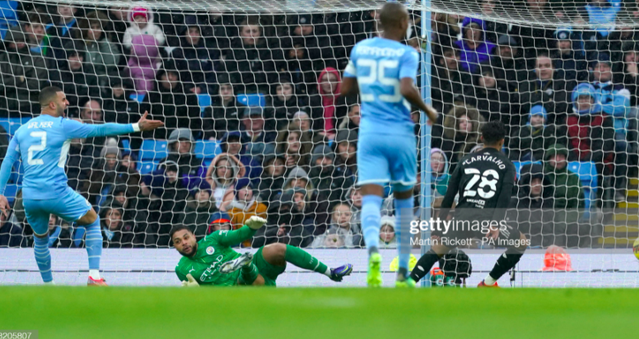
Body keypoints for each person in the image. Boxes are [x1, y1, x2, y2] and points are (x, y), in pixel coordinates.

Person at [0, 86, 163, 285]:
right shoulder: (63, 125)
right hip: (55, 192)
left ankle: (49, 286)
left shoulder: (22, 129)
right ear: (52, 104)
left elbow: (7, 160)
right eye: (64, 99)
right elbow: (101, 128)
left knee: (40, 240)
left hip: (29, 197)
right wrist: (136, 127)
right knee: (92, 221)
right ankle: (94, 276)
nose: (67, 103)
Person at [340, 2, 438, 287]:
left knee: (371, 197)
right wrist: (428, 111)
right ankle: (403, 273)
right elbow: (407, 88)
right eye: (408, 20)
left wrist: (370, 84)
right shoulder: (408, 53)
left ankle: (372, 252)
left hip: (370, 133)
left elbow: (345, 89)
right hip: (400, 133)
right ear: (400, 23)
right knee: (404, 201)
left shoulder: (361, 49)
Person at [409, 121, 528, 287]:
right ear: (502, 141)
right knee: (521, 242)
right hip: (485, 222)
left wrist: (440, 223)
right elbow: (504, 197)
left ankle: (408, 283)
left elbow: (449, 194)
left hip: (462, 218)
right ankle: (488, 283)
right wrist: (495, 224)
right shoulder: (507, 165)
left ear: (481, 138)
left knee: (437, 250)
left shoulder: (465, 160)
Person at [173, 216, 352, 287]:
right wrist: (198, 293)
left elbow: (239, 234)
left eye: (186, 237)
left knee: (277, 249)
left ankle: (331, 272)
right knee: (249, 281)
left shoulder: (213, 239)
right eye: (178, 242)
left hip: (259, 268)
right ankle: (246, 266)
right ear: (174, 246)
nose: (184, 243)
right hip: (238, 290)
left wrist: (250, 227)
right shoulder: (182, 269)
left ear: (194, 236)